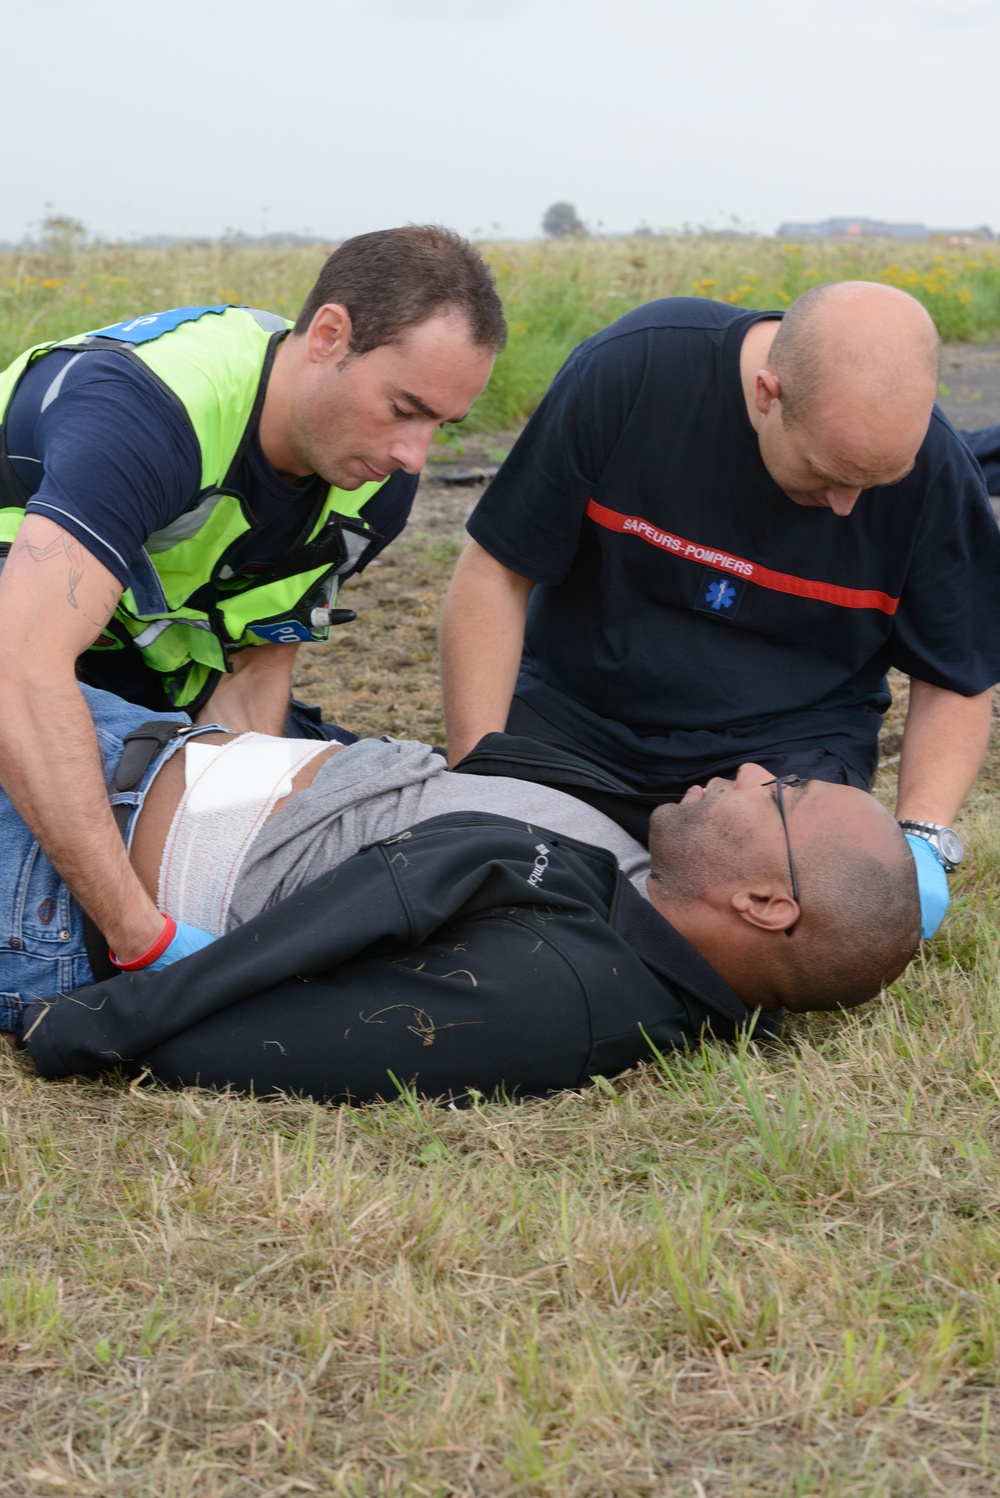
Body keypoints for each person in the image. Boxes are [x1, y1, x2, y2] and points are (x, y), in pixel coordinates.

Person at [6, 685, 922, 1102]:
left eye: (783, 797)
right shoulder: (650, 886)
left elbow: (269, 1044)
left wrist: (94, 1017)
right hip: (126, 741)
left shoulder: (558, 994)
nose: (756, 771)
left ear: (767, 903)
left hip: (51, 872)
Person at [0, 225, 505, 975]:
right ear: (330, 335)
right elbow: (23, 672)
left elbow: (254, 670)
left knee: (368, 798)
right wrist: (142, 937)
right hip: (27, 662)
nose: (414, 456)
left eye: (441, 424)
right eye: (404, 407)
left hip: (133, 683)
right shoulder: (147, 414)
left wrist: (229, 849)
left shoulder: (372, 487)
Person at [440, 281, 1000, 916]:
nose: (848, 506)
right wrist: (477, 774)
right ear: (768, 395)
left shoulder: (940, 469)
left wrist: (922, 840)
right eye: (827, 474)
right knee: (500, 889)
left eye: (878, 484)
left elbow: (956, 675)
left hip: (782, 760)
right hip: (577, 719)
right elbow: (495, 574)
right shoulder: (636, 370)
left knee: (794, 920)